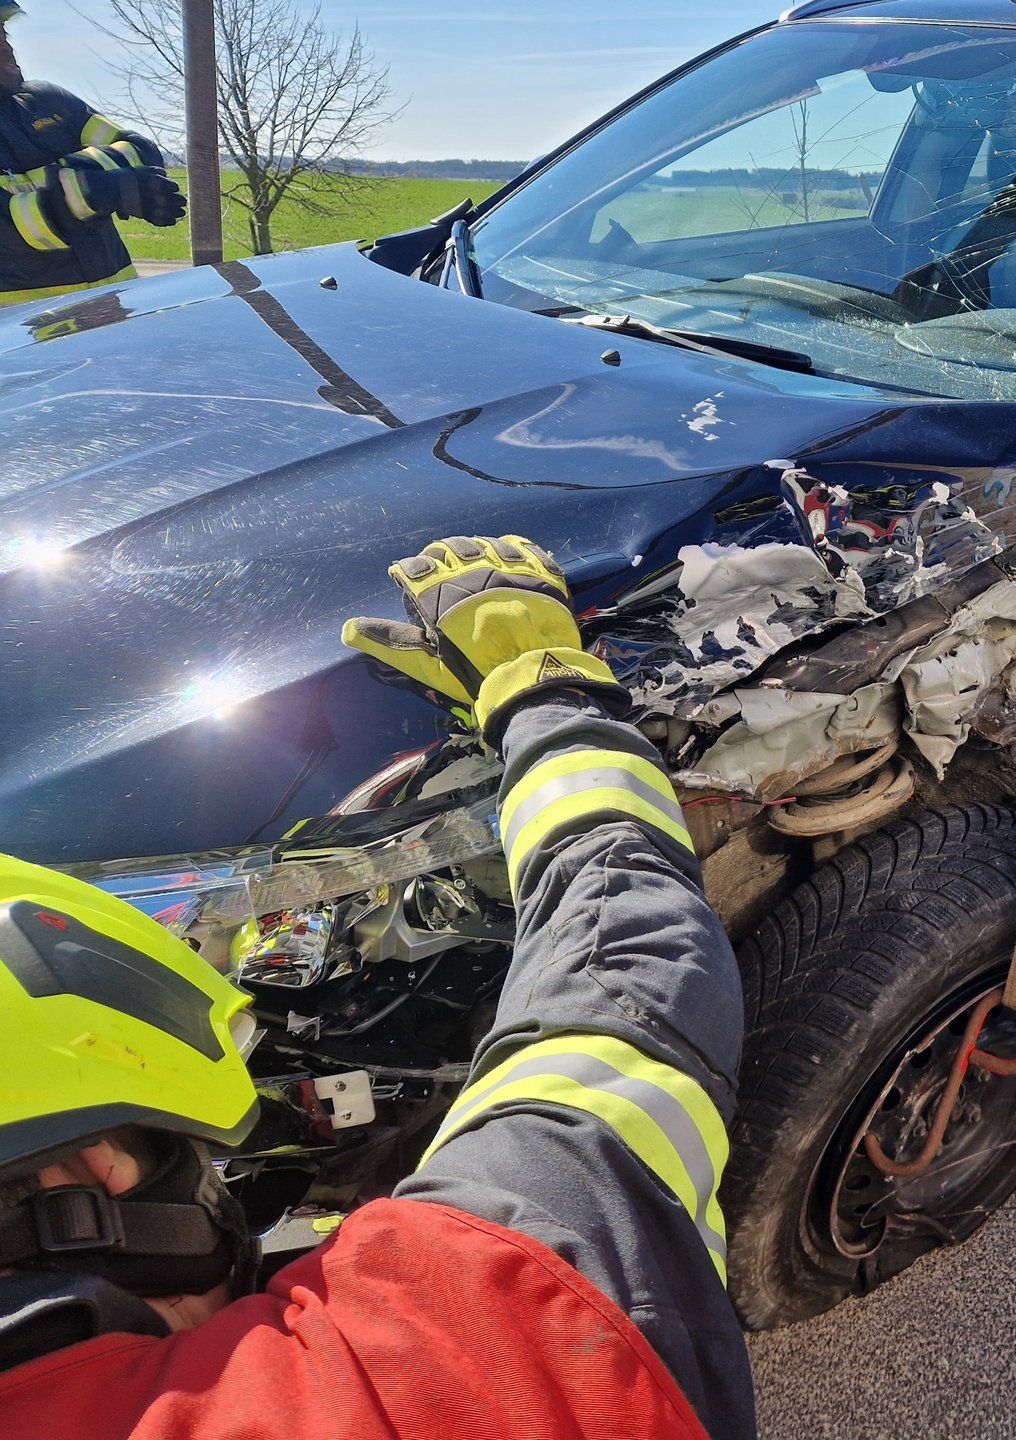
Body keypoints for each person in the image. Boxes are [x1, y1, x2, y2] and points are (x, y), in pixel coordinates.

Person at [0, 536, 755, 1438]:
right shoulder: (400, 1377)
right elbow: (628, 988)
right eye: (190, 1165)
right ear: (94, 1175)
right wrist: (545, 690)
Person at [0, 3, 184, 308]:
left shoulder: (49, 101)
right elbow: (11, 228)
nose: (7, 48)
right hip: (27, 338)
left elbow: (141, 148)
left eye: (3, 33)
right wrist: (89, 193)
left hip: (117, 314)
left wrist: (105, 182)